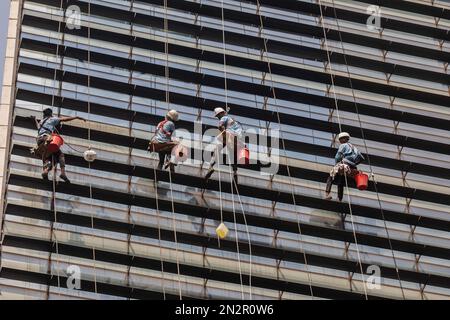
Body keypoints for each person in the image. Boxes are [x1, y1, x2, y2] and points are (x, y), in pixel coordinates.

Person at [31, 108, 85, 182]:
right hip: (46, 139)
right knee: (60, 155)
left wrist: (34, 120)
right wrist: (76, 117)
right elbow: (64, 119)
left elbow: (38, 127)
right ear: (50, 114)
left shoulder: (41, 122)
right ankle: (63, 173)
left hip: (39, 141)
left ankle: (46, 171)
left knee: (53, 159)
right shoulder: (52, 119)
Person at [206, 108, 244, 182]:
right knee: (232, 154)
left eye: (218, 116)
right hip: (236, 138)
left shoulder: (223, 118)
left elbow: (220, 126)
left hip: (228, 134)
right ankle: (235, 172)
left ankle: (210, 166)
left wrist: (222, 130)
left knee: (217, 149)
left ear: (221, 113)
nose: (218, 117)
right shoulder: (233, 121)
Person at [325, 132, 365, 201]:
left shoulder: (343, 145)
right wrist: (354, 163)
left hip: (345, 165)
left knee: (331, 177)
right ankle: (340, 198)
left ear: (344, 139)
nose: (340, 141)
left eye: (340, 139)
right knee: (341, 181)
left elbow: (337, 157)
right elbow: (361, 158)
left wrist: (337, 164)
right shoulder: (354, 147)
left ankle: (327, 194)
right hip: (352, 168)